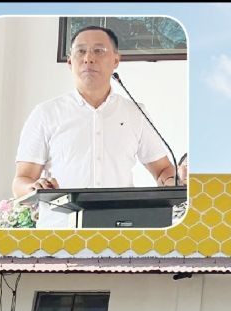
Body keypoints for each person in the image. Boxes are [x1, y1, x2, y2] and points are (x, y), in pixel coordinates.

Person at [11, 25, 185, 227]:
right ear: (70, 61)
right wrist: (35, 187)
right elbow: (20, 182)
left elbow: (163, 170)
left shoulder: (135, 111)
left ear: (116, 61)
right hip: (60, 232)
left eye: (98, 51)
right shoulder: (45, 113)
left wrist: (175, 182)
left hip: (121, 231)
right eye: (81, 51)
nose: (88, 58)